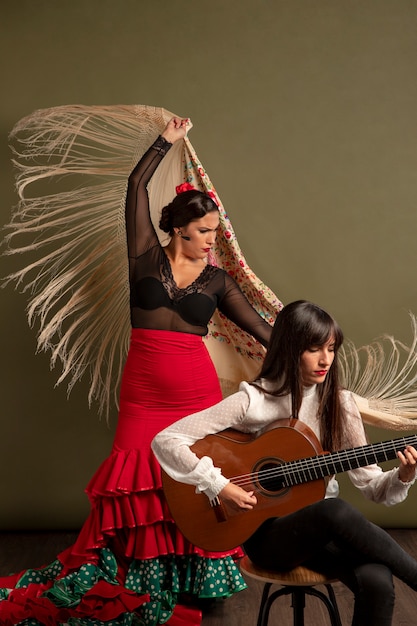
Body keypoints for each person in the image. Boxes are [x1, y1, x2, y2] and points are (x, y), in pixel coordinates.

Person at [0, 117, 274, 626]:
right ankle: (135, 573)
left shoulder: (217, 281)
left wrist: (309, 349)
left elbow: (262, 329)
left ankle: (195, 581)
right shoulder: (143, 255)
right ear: (177, 228)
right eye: (204, 232)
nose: (213, 241)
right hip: (143, 391)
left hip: (195, 392)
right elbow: (135, 186)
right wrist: (163, 143)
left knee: (192, 480)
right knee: (134, 477)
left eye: (215, 232)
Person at [152, 300, 417, 626]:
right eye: (314, 349)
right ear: (290, 349)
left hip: (324, 533)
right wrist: (221, 487)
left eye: (332, 349)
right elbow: (166, 440)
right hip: (269, 537)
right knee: (333, 510)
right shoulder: (253, 401)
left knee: (378, 581)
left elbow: (374, 488)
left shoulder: (340, 404)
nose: (326, 360)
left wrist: (403, 474)